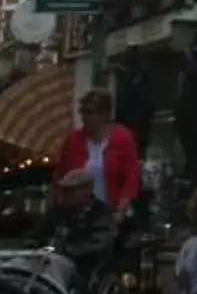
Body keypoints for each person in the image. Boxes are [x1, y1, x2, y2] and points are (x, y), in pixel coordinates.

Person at [55, 88, 142, 218]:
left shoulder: (123, 137)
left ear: (104, 115)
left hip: (111, 212)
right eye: (82, 111)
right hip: (78, 214)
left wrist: (121, 209)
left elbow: (131, 177)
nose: (84, 117)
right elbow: (60, 175)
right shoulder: (73, 140)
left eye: (90, 112)